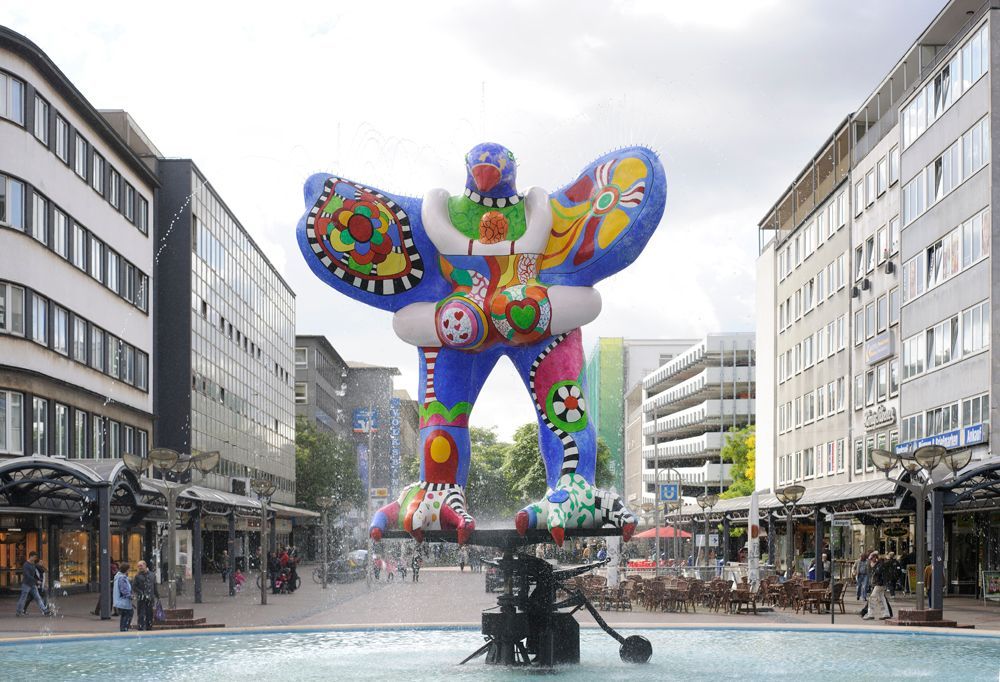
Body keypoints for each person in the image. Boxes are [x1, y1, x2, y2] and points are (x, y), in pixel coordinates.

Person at [16, 551, 51, 617]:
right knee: (23, 598)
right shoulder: (26, 565)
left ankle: (45, 610)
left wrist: (43, 568)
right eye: (34, 557)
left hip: (32, 584)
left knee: (38, 597)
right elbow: (27, 575)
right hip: (26, 584)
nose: (35, 559)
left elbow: (38, 570)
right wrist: (36, 581)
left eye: (35, 557)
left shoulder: (33, 564)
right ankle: (18, 612)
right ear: (31, 556)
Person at [863, 552, 892, 621]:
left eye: (871, 559)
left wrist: (873, 566)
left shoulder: (879, 565)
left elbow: (877, 573)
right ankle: (886, 613)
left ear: (875, 558)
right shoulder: (880, 564)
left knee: (872, 598)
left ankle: (870, 614)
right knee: (882, 599)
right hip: (881, 584)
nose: (871, 561)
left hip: (879, 584)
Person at [132, 560, 159, 631]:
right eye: (138, 566)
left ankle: (149, 628)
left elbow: (154, 586)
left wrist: (157, 596)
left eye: (140, 566)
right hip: (141, 599)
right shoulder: (137, 576)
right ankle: (140, 628)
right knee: (141, 614)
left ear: (145, 565)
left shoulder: (152, 575)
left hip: (150, 598)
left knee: (149, 614)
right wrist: (141, 593)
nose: (139, 567)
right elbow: (134, 587)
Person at [113, 562, 133, 631]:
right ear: (126, 570)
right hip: (124, 602)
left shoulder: (118, 577)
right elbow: (124, 589)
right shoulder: (122, 578)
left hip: (120, 601)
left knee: (124, 616)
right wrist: (130, 596)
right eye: (129, 569)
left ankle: (123, 630)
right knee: (128, 614)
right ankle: (124, 630)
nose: (129, 570)